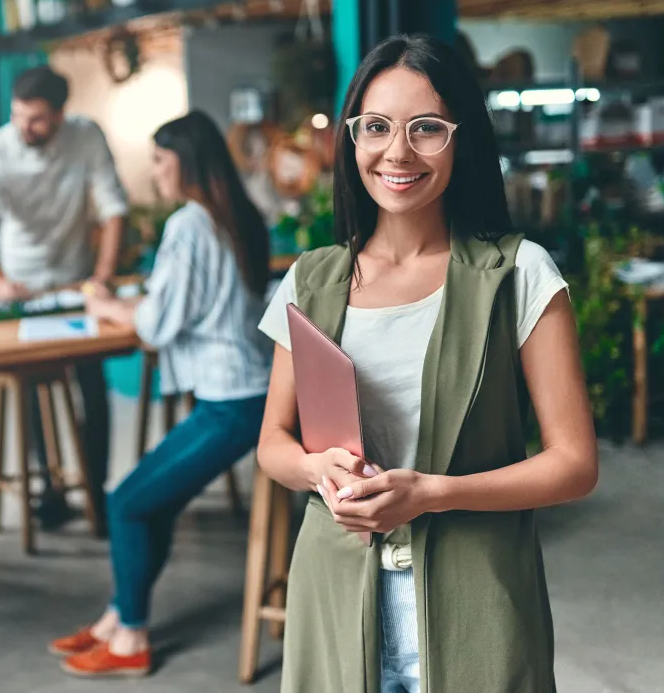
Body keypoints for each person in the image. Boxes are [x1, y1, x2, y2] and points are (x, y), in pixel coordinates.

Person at [256, 34, 598, 693]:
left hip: (479, 601)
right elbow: (272, 442)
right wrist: (312, 468)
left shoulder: (517, 273)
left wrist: (433, 494)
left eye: (427, 129)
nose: (397, 151)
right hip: (335, 592)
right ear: (352, 138)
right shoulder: (312, 280)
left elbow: (575, 464)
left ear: (460, 139)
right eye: (376, 127)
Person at [49, 111, 273, 677]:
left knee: (126, 502)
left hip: (232, 403)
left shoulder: (189, 225)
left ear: (185, 163)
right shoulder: (238, 216)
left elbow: (157, 324)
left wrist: (103, 305)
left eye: (159, 160)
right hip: (251, 391)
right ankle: (117, 618)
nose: (153, 173)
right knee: (158, 503)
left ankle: (130, 640)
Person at [0, 65, 128, 531]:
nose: (26, 128)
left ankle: (97, 493)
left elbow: (113, 209)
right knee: (35, 388)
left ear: (60, 114)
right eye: (19, 117)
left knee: (93, 389)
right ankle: (50, 490)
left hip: (77, 280)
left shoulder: (85, 137)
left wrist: (102, 275)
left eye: (37, 119)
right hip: (19, 284)